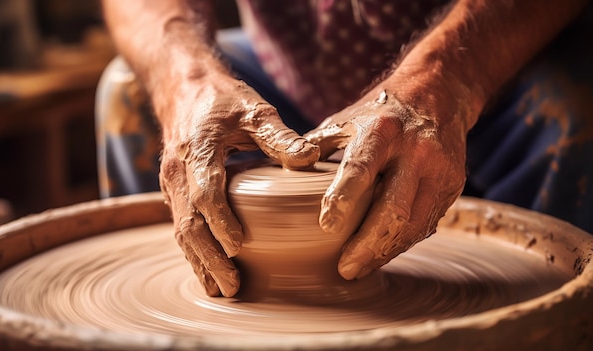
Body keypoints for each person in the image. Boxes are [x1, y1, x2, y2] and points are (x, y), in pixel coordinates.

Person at [97, 0, 593, 298]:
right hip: (285, 74)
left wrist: (447, 79)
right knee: (129, 94)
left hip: (488, 62)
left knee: (571, 114)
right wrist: (187, 80)